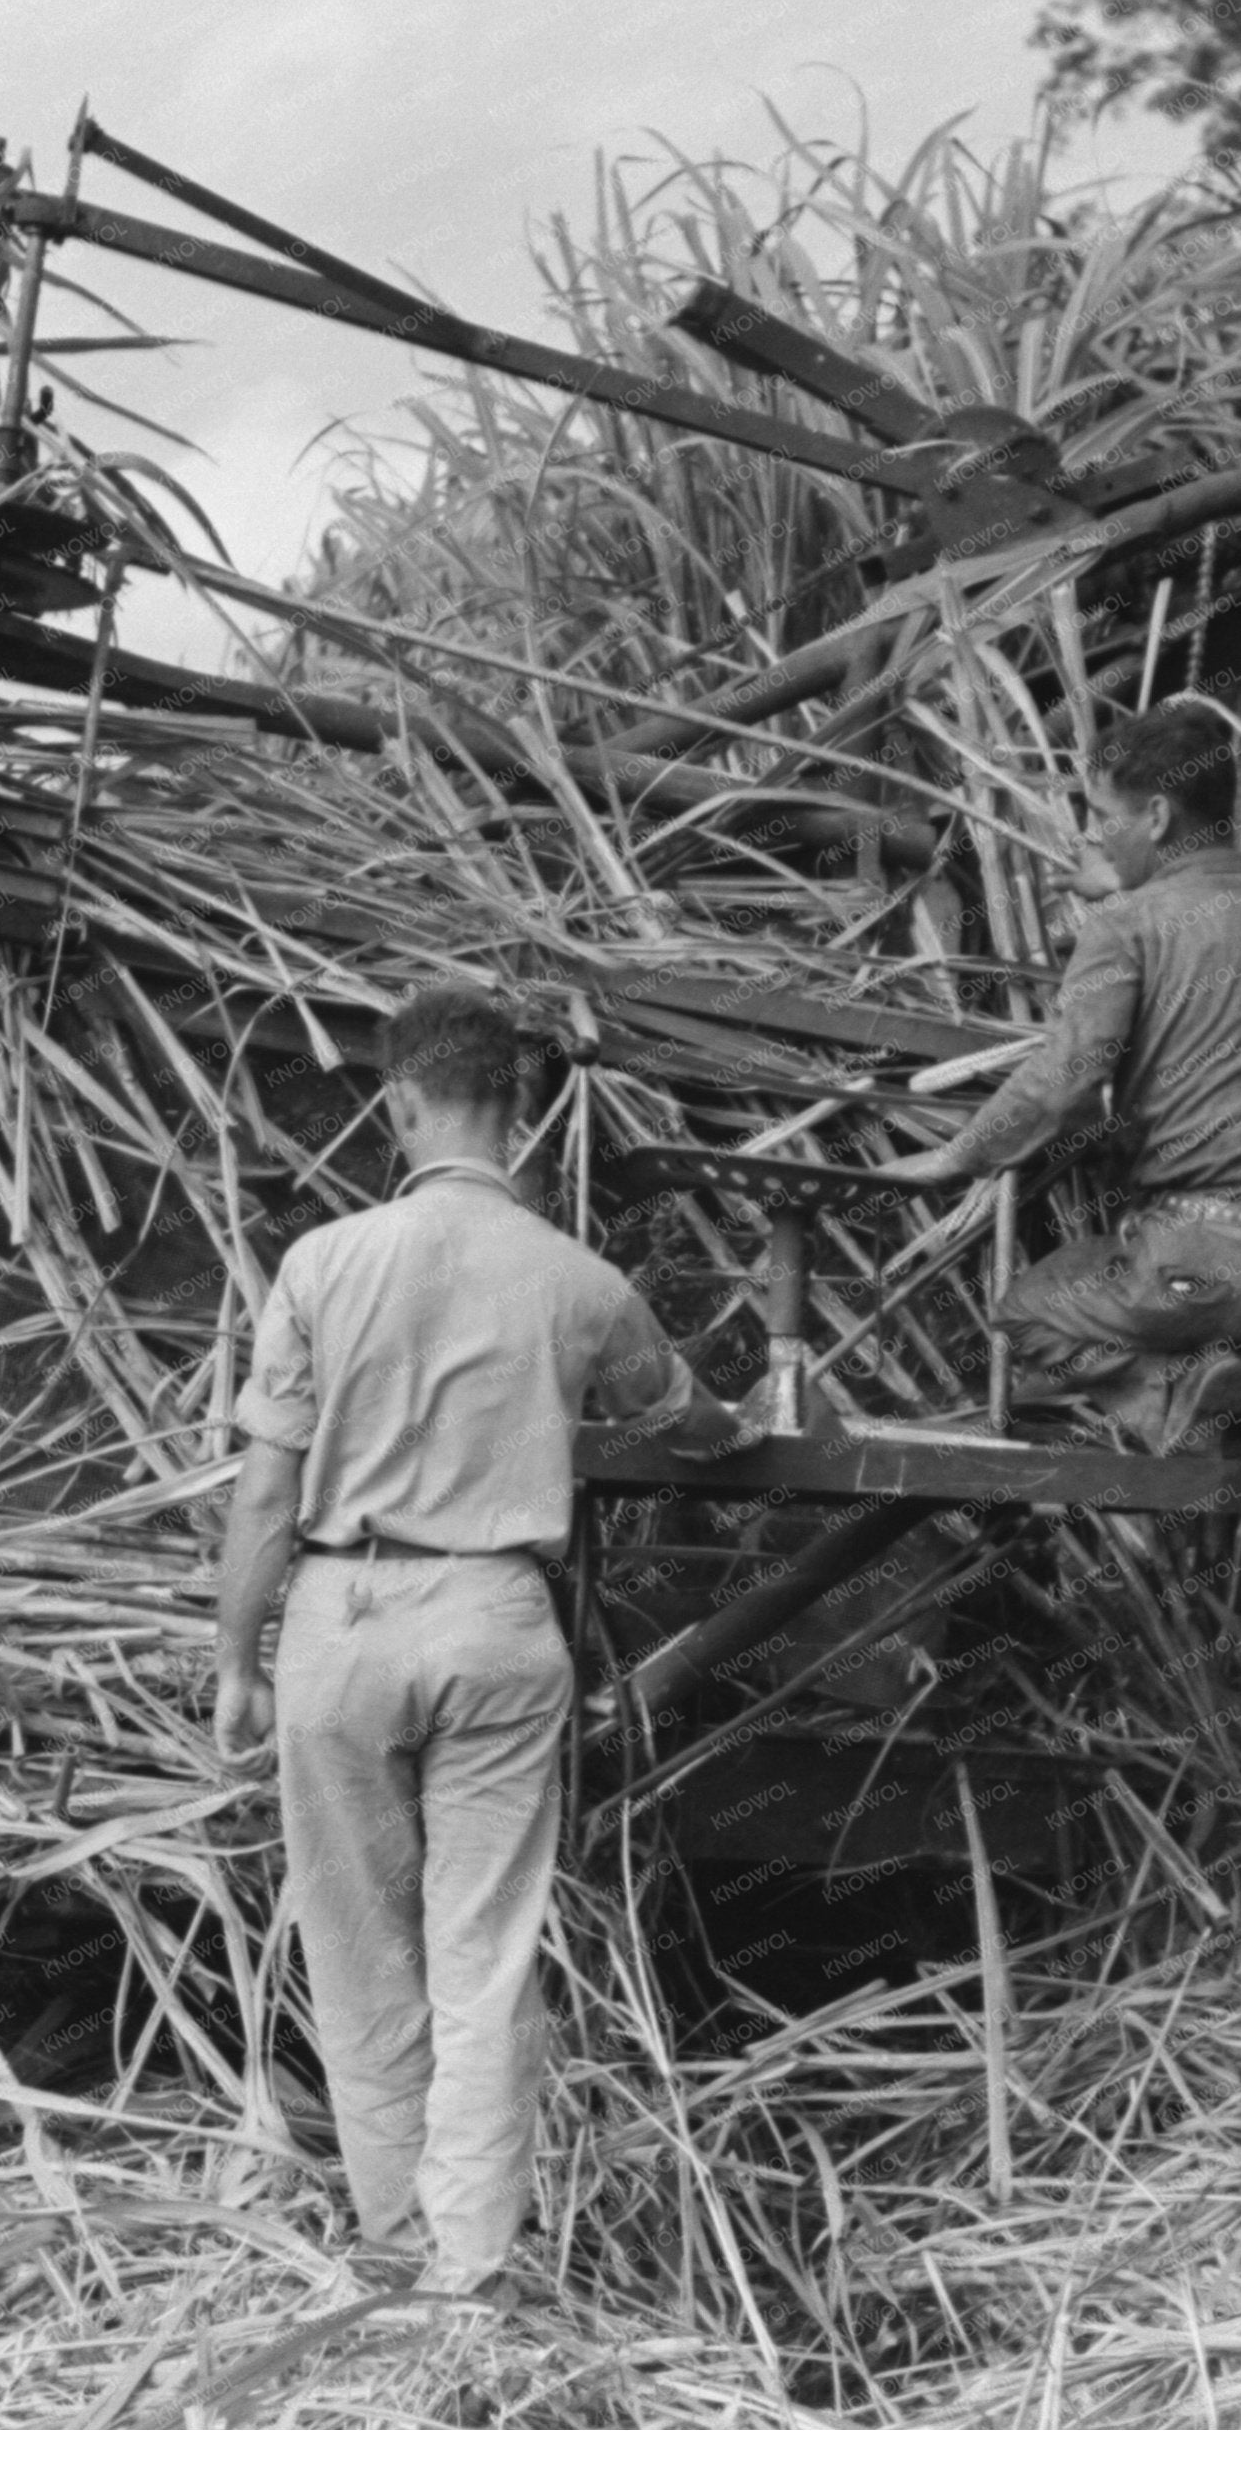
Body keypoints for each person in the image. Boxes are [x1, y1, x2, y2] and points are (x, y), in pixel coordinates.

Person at [211, 984, 754, 2301]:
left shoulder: (322, 1264)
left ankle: (390, 2246)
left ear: (399, 1105)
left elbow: (264, 1500)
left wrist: (236, 1663)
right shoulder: (578, 1280)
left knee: (357, 1947)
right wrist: (741, 1425)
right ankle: (468, 2270)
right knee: (484, 1953)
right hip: (499, 1625)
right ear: (513, 1109)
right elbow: (692, 1420)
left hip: (342, 1622)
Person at [876, 699, 1241, 1452]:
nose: (1092, 835)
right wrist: (1125, 888)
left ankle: (1168, 1391)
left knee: (1026, 1310)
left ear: (1155, 815)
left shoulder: (1123, 929)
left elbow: (1066, 1076)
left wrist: (958, 1155)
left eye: (1101, 815)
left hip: (1203, 1272)